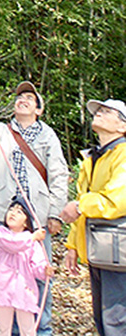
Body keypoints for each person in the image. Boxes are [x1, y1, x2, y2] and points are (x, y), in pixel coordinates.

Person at [0, 81, 69, 335]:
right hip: (7, 213)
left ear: (38, 109)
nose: (22, 100)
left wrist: (55, 213)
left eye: (29, 98)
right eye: (19, 97)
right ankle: (11, 330)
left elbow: (59, 174)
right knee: (6, 273)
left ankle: (40, 328)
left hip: (37, 215)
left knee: (38, 273)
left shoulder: (48, 135)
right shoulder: (3, 130)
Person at [61, 99, 126, 336]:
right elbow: (86, 201)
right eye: (98, 111)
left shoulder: (124, 154)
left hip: (119, 248)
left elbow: (117, 200)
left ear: (122, 127)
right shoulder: (94, 157)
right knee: (103, 317)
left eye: (107, 112)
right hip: (102, 248)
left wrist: (78, 206)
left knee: (116, 319)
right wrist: (72, 245)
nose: (99, 114)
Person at [0, 197, 55, 336]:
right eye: (11, 210)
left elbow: (37, 265)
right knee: (3, 329)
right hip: (3, 289)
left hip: (24, 290)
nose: (13, 213)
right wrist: (33, 237)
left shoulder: (32, 242)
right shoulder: (1, 233)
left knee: (28, 329)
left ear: (26, 222)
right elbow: (13, 244)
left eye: (19, 212)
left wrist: (44, 270)